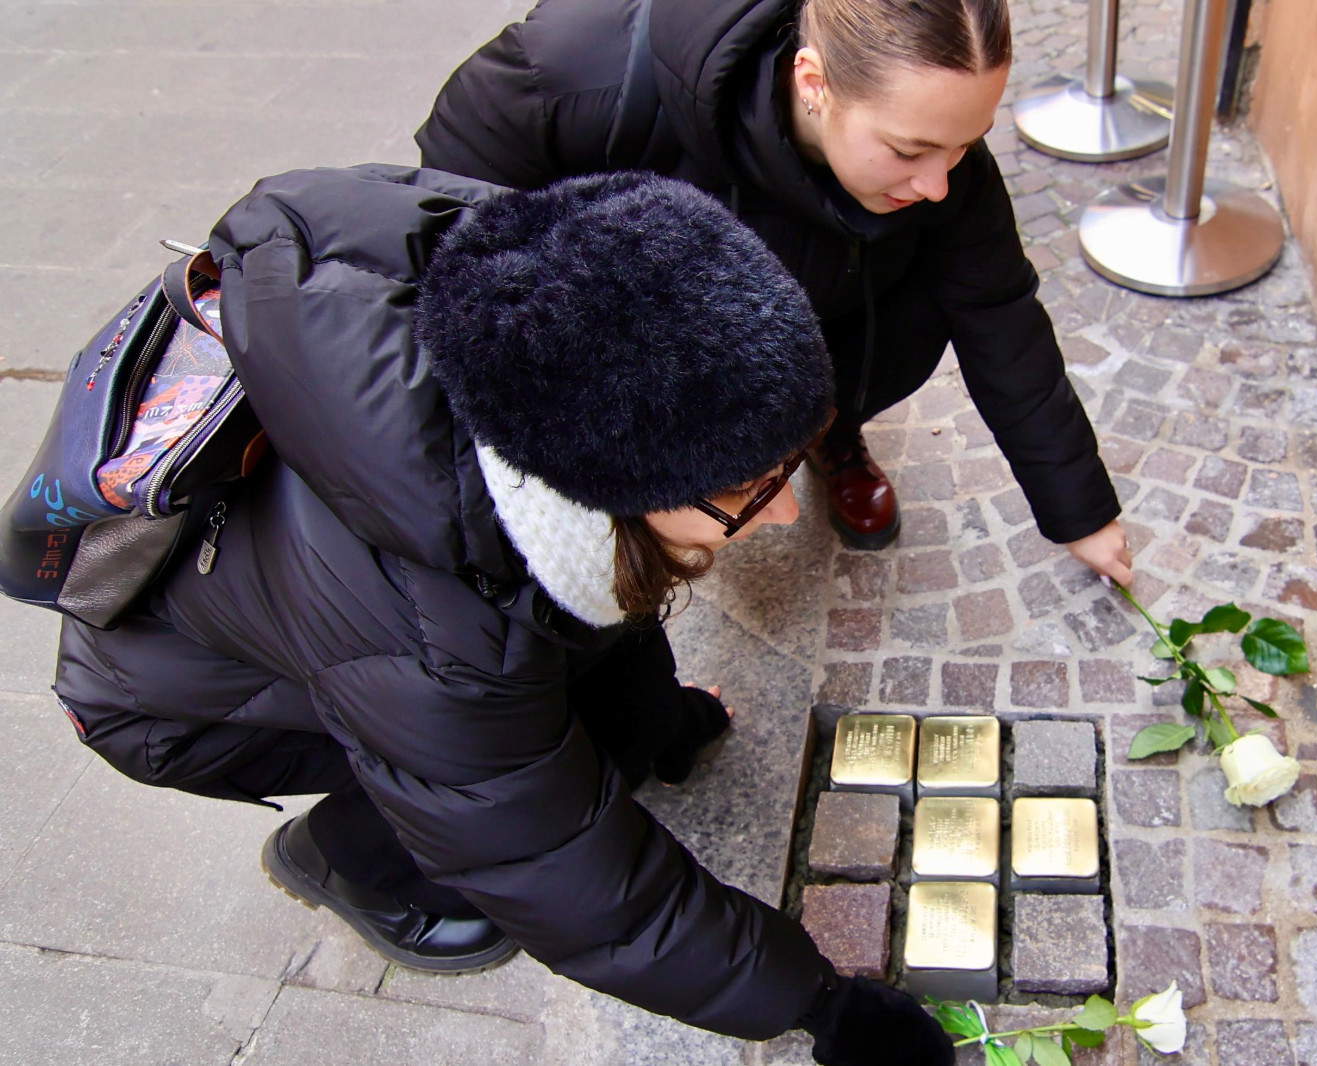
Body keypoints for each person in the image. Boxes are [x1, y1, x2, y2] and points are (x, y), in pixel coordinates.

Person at [51, 166, 955, 1065]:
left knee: (571, 722)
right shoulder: (433, 634)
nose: (788, 513)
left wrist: (658, 722)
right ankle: (346, 858)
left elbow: (596, 604)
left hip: (328, 626)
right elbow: (570, 880)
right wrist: (823, 1006)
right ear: (607, 488)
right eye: (748, 493)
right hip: (176, 703)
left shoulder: (545, 346)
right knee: (479, 798)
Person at [416, 0, 1134, 586]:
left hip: (844, 306)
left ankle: (830, 434)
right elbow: (449, 231)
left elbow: (997, 311)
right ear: (813, 82)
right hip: (650, 327)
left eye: (966, 144)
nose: (940, 183)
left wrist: (1080, 510)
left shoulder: (934, 152)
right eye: (911, 152)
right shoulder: (571, 71)